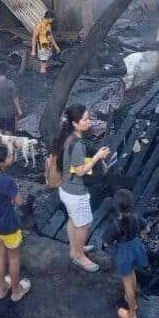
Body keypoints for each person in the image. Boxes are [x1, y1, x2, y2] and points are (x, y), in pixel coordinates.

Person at [54, 103, 110, 272]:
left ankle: (75, 249)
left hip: (65, 187)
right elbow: (79, 171)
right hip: (75, 192)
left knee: (73, 219)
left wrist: (95, 160)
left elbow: (70, 163)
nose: (89, 122)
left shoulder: (67, 136)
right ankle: (78, 256)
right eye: (85, 119)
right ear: (75, 123)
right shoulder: (77, 144)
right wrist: (97, 157)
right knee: (85, 224)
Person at [0, 143, 31, 303]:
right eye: (9, 156)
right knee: (14, 258)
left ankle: (1, 289)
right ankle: (16, 291)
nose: (12, 157)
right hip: (8, 226)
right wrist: (15, 196)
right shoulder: (7, 180)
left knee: (0, 254)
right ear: (1, 163)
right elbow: (18, 202)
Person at [102, 188, 149, 318]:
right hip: (136, 249)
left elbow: (106, 243)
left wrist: (115, 242)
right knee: (132, 272)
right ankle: (132, 300)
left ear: (116, 208)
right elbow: (147, 230)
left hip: (124, 254)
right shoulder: (136, 218)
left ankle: (132, 314)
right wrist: (140, 235)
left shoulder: (115, 225)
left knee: (126, 282)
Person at [0, 61, 21, 134]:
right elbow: (15, 98)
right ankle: (6, 143)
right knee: (8, 129)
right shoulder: (10, 83)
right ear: (7, 71)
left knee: (0, 126)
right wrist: (19, 109)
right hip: (9, 111)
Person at [30, 9, 60, 75]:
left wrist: (56, 46)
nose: (53, 20)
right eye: (52, 19)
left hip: (48, 47)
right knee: (43, 66)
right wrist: (33, 50)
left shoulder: (48, 24)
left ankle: (43, 76)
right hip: (42, 49)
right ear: (49, 18)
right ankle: (42, 80)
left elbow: (50, 36)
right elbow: (34, 38)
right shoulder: (39, 25)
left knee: (45, 64)